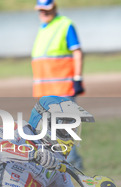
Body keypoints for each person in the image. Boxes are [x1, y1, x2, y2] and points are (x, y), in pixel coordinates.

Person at [31, 0, 85, 169]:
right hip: (46, 89)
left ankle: (72, 163)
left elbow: (77, 52)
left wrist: (77, 78)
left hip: (63, 86)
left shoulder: (65, 25)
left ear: (54, 8)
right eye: (40, 10)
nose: (43, 13)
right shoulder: (43, 29)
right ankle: (59, 163)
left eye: (46, 10)